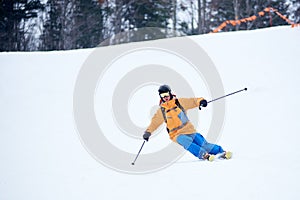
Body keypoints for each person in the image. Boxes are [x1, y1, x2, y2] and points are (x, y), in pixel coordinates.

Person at [143, 84, 232, 161]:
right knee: (185, 141)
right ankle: (203, 154)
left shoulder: (180, 102)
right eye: (162, 95)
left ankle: (221, 152)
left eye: (166, 94)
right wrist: (148, 132)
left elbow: (193, 101)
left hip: (190, 130)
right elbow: (154, 123)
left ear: (170, 93)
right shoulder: (162, 111)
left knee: (204, 145)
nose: (165, 97)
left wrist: (201, 101)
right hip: (176, 134)